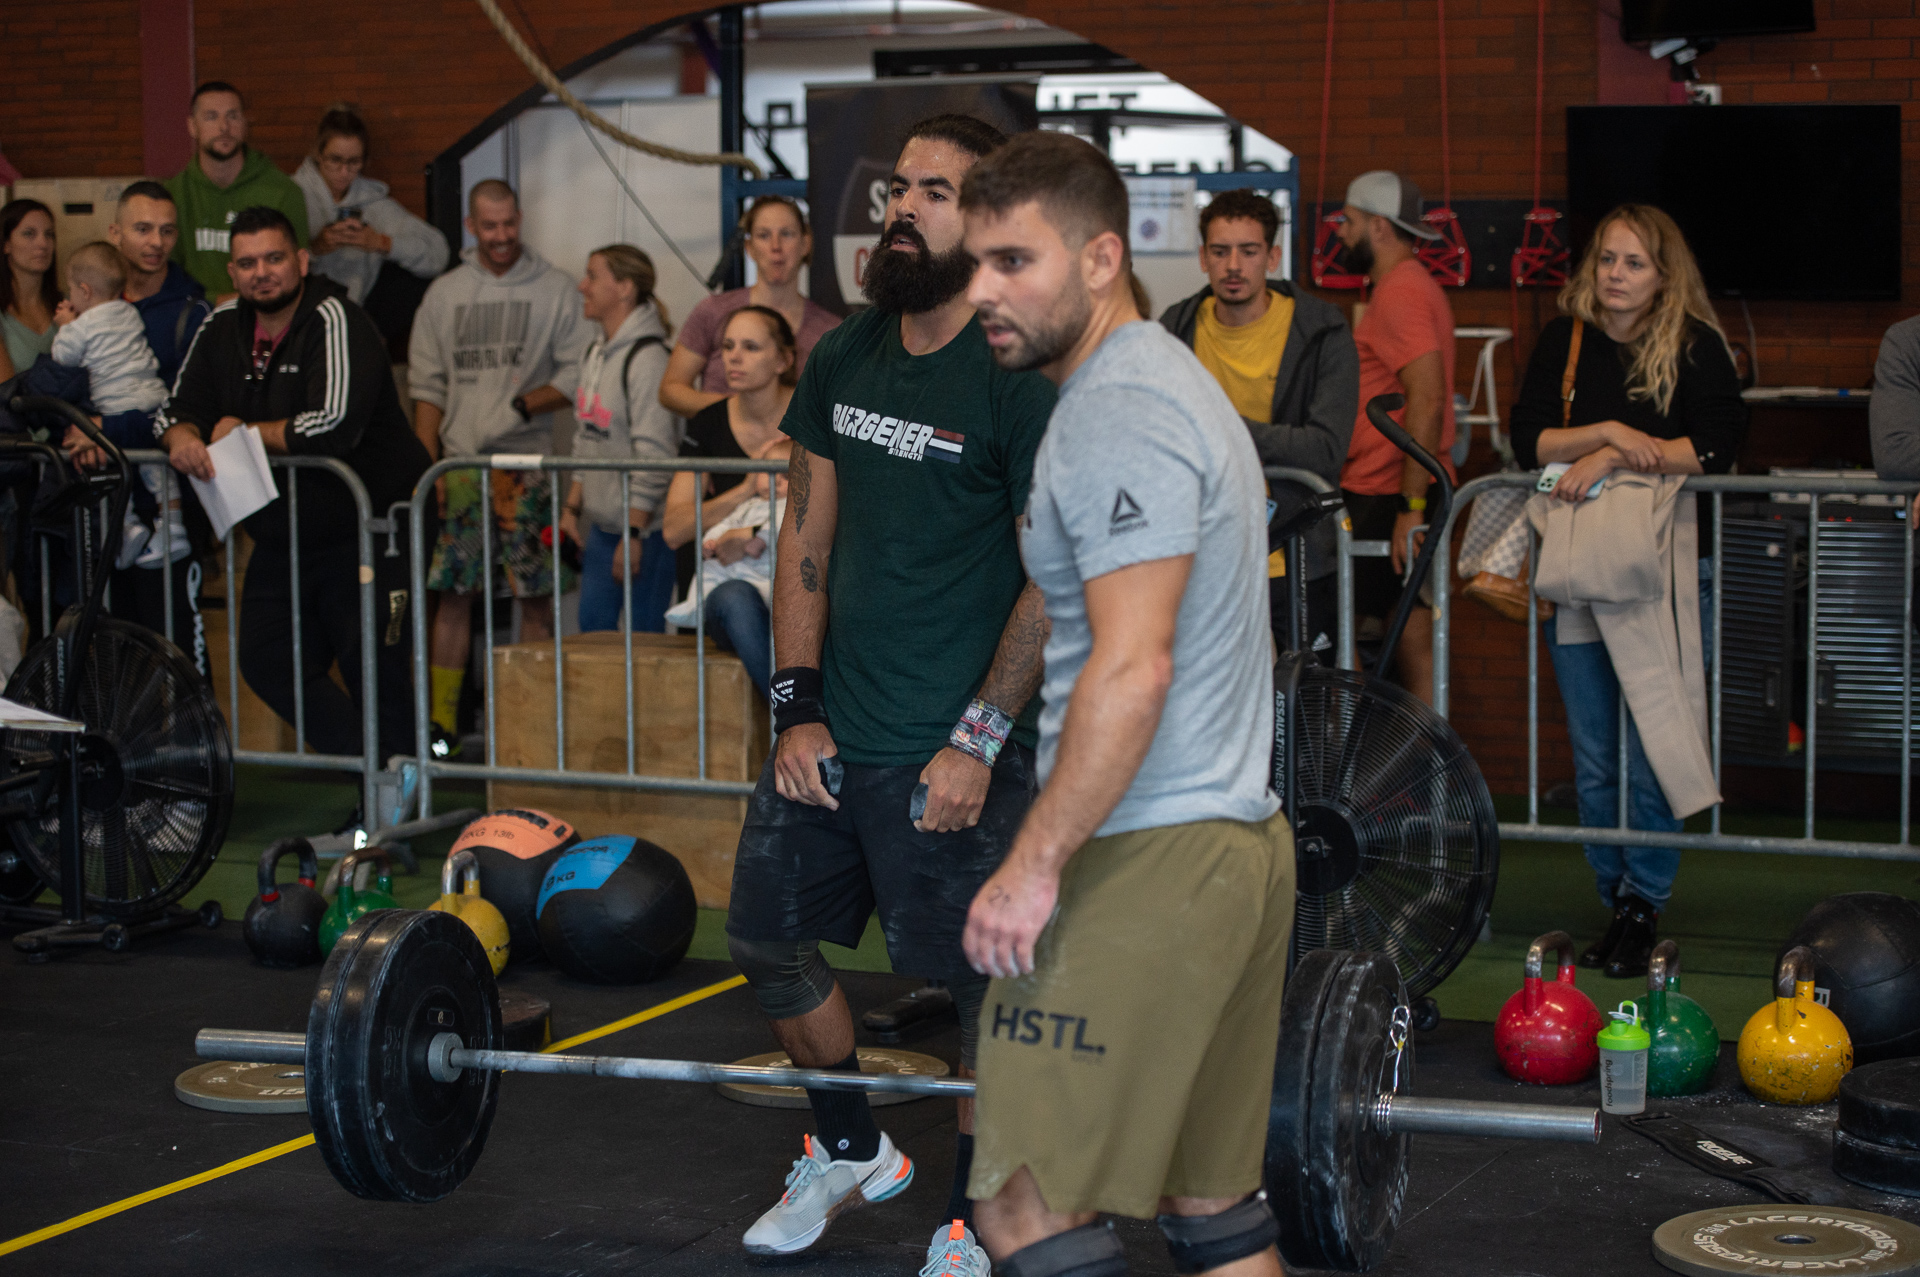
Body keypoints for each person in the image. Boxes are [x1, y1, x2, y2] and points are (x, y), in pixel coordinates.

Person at [726, 114, 1055, 1277]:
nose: (901, 207)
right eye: (897, 186)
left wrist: (977, 738)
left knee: (976, 999)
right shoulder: (844, 354)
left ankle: (969, 1222)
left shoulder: (1018, 372)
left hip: (951, 744)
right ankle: (857, 1147)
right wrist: (794, 702)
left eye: (935, 189)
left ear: (988, 218)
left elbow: (1047, 576)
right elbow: (805, 536)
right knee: (766, 937)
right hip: (837, 728)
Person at [957, 128, 1289, 1277]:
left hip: (1149, 849)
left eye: (1013, 262)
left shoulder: (1117, 408)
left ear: (1101, 259)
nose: (983, 292)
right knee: (1215, 1209)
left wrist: (1035, 859)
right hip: (1237, 843)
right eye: (976, 264)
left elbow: (1133, 664)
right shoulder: (1166, 383)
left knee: (1020, 1205)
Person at [1507, 203, 1745, 979]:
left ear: (1663, 273)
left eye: (1633, 263)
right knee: (1595, 755)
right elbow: (1531, 441)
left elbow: (1713, 445)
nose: (1615, 275)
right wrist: (1608, 434)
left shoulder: (1695, 345)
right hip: (1579, 573)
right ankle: (1616, 898)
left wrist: (1613, 461)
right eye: (1607, 260)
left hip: (1662, 575)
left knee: (1650, 747)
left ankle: (1644, 899)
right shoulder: (1565, 338)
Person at [157, 206, 429, 763]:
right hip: (285, 531)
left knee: (373, 665)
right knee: (265, 658)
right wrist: (184, 437)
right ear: (231, 273)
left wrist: (244, 432)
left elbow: (334, 424)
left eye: (275, 258)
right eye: (248, 262)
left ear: (302, 261)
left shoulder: (335, 318)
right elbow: (173, 411)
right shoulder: (220, 326)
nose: (263, 272)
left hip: (373, 526)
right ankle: (372, 769)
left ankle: (401, 802)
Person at [409, 179, 586, 752]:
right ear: (471, 226)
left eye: (510, 223)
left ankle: (529, 720)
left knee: (533, 595)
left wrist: (521, 404)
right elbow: (427, 387)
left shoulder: (556, 289)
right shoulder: (444, 294)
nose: (503, 235)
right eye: (490, 226)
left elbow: (576, 371)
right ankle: (440, 725)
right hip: (459, 468)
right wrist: (426, 465)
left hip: (525, 462)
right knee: (454, 595)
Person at [1159, 187, 1358, 659]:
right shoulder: (1174, 328)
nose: (1233, 266)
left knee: (1301, 713)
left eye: (1248, 251)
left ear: (1272, 256)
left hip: (1293, 555)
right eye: (1220, 251)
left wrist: (1219, 429)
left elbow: (1326, 448)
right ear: (1203, 258)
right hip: (1200, 557)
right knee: (1204, 714)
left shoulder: (1322, 332)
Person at [1335, 171, 1457, 704]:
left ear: (1379, 228)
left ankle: (1373, 761)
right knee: (1403, 623)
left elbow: (1427, 398)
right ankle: (1411, 767)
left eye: (1350, 221)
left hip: (1388, 491)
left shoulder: (1401, 292)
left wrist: (1410, 504)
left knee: (1341, 619)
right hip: (1387, 488)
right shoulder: (1404, 286)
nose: (1341, 233)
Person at [662, 305, 797, 678]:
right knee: (735, 596)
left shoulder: (812, 416)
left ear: (783, 360)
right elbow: (674, 530)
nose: (734, 357)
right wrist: (744, 489)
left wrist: (755, 534)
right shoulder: (707, 423)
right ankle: (789, 719)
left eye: (751, 347)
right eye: (728, 346)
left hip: (798, 585)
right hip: (733, 588)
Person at [557, 244, 679, 634]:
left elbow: (655, 457)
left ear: (625, 288)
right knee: (593, 634)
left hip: (646, 533)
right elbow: (586, 436)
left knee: (645, 645)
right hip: (604, 528)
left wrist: (634, 532)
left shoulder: (648, 359)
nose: (582, 286)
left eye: (592, 276)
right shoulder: (594, 353)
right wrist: (572, 510)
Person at [47, 242, 184, 568]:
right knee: (155, 466)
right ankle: (173, 525)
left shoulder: (83, 325)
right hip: (153, 398)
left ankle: (128, 525)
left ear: (83, 290)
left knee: (109, 463)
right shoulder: (130, 313)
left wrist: (65, 325)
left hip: (115, 407)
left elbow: (62, 355)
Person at [659, 197, 839, 419]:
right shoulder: (713, 311)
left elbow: (841, 409)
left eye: (786, 234)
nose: (775, 247)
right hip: (719, 450)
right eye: (763, 235)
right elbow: (671, 389)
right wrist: (737, 409)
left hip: (790, 451)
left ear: (805, 244)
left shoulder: (832, 331)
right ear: (750, 247)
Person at [292, 102, 449, 356]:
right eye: (335, 160)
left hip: (360, 313)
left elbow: (438, 253)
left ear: (364, 160)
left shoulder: (373, 202)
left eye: (353, 162)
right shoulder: (293, 196)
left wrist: (381, 243)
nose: (344, 172)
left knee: (417, 278)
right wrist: (316, 248)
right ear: (318, 155)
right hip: (303, 315)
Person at [662, 436, 791, 697]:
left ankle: (785, 709)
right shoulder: (748, 505)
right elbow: (725, 525)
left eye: (787, 476)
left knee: (740, 592)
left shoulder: (792, 506)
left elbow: (782, 528)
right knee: (729, 589)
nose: (776, 481)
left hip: (771, 591)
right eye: (769, 473)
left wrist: (755, 536)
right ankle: (783, 706)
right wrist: (713, 541)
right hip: (739, 584)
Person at [165, 82, 310, 298]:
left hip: (264, 315)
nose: (224, 127)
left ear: (244, 123)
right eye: (211, 117)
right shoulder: (172, 195)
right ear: (192, 126)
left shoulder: (284, 192)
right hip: (193, 316)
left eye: (232, 116)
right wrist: (215, 302)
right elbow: (165, 278)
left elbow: (295, 275)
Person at [110, 181, 212, 386]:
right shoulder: (95, 297)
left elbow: (192, 404)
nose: (157, 242)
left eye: (166, 231)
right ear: (115, 234)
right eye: (143, 229)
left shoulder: (193, 313)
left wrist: (111, 421)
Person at [0, 199, 60, 382]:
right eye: (29, 234)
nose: (43, 243)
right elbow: (5, 395)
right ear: (6, 244)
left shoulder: (69, 305)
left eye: (49, 235)